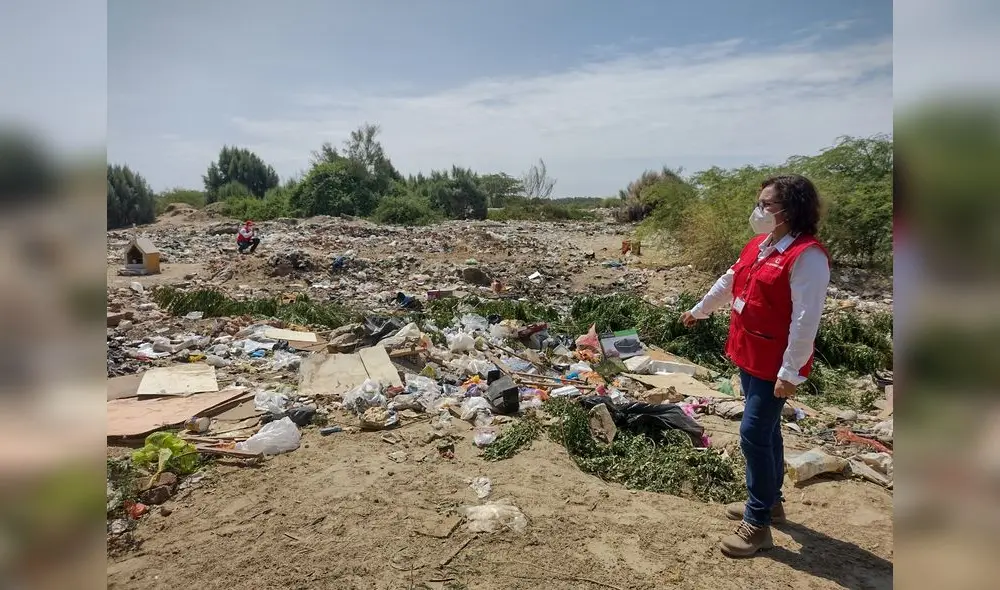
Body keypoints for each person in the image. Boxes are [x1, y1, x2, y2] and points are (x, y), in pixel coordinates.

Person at [680, 174, 830, 558]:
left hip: (774, 363)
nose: (759, 210)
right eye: (760, 202)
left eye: (767, 204)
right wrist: (699, 311)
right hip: (748, 352)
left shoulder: (807, 256)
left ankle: (758, 522)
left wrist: (791, 371)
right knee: (765, 431)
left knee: (752, 434)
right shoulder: (759, 246)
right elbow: (729, 281)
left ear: (790, 211)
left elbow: (805, 319)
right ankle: (772, 502)